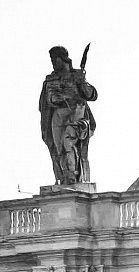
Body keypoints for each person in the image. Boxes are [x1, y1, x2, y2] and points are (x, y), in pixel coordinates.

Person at [37, 44, 98, 187]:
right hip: (57, 114)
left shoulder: (77, 75)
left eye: (55, 59)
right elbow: (48, 99)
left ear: (63, 58)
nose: (53, 62)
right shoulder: (50, 79)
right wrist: (57, 98)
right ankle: (64, 176)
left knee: (68, 142)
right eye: (51, 59)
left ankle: (73, 175)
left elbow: (91, 95)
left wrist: (82, 81)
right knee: (58, 147)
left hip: (76, 111)